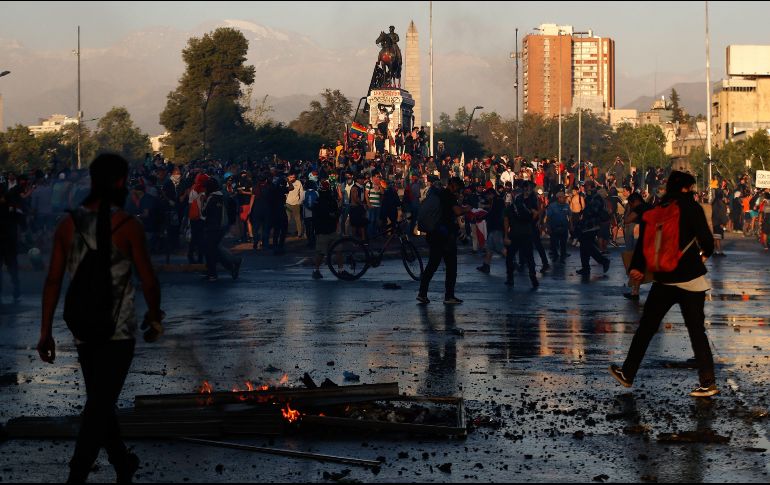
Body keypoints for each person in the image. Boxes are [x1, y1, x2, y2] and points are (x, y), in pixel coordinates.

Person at [37, 153, 163, 483]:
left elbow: (53, 280)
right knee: (99, 404)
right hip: (118, 330)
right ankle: (76, 474)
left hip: (82, 326)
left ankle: (122, 462)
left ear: (92, 182)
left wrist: (45, 331)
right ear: (120, 182)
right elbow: (149, 280)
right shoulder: (129, 226)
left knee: (100, 399)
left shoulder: (68, 225)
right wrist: (154, 315)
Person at [610, 171, 718, 398]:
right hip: (691, 280)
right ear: (687, 188)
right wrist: (705, 253)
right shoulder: (692, 208)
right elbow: (707, 241)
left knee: (647, 327)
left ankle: (628, 373)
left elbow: (645, 240)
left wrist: (637, 267)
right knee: (697, 330)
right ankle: (707, 382)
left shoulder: (658, 209)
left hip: (664, 279)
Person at [417, 177, 470, 304]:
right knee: (451, 267)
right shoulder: (448, 196)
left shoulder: (439, 195)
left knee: (432, 265)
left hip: (434, 234)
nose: (459, 192)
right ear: (453, 186)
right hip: (445, 237)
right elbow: (457, 211)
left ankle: (422, 293)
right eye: (458, 189)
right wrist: (467, 208)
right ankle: (449, 296)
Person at [504, 189, 539, 288]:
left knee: (510, 257)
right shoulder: (527, 207)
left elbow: (506, 221)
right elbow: (536, 213)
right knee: (530, 257)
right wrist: (530, 223)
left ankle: (510, 278)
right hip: (526, 234)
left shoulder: (510, 208)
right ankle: (533, 276)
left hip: (514, 235)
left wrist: (506, 235)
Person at [312, 180, 339, 279]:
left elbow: (334, 213)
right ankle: (340, 270)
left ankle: (316, 270)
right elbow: (335, 213)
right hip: (326, 229)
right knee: (329, 251)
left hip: (324, 230)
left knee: (324, 252)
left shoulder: (318, 200)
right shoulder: (326, 200)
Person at [546, 191, 570, 263]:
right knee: (554, 243)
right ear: (559, 198)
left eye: (564, 198)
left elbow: (570, 215)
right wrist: (548, 227)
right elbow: (548, 217)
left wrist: (571, 225)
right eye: (563, 198)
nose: (564, 199)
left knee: (563, 244)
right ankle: (555, 256)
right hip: (554, 227)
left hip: (564, 227)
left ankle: (562, 257)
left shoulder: (566, 205)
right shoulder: (552, 206)